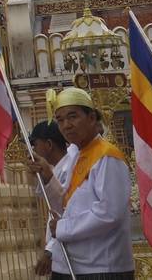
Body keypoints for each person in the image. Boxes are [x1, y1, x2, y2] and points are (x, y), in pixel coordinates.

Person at [45, 88, 131, 280]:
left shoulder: (107, 156)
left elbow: (109, 213)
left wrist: (62, 228)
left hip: (101, 267)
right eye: (60, 120)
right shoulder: (76, 156)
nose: (66, 125)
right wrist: (47, 178)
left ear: (91, 118)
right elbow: (68, 204)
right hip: (71, 265)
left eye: (72, 117)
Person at [26, 120, 71, 278]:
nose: (33, 150)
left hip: (70, 254)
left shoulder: (69, 169)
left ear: (49, 145)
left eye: (35, 144)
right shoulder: (57, 169)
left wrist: (50, 251)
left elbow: (66, 212)